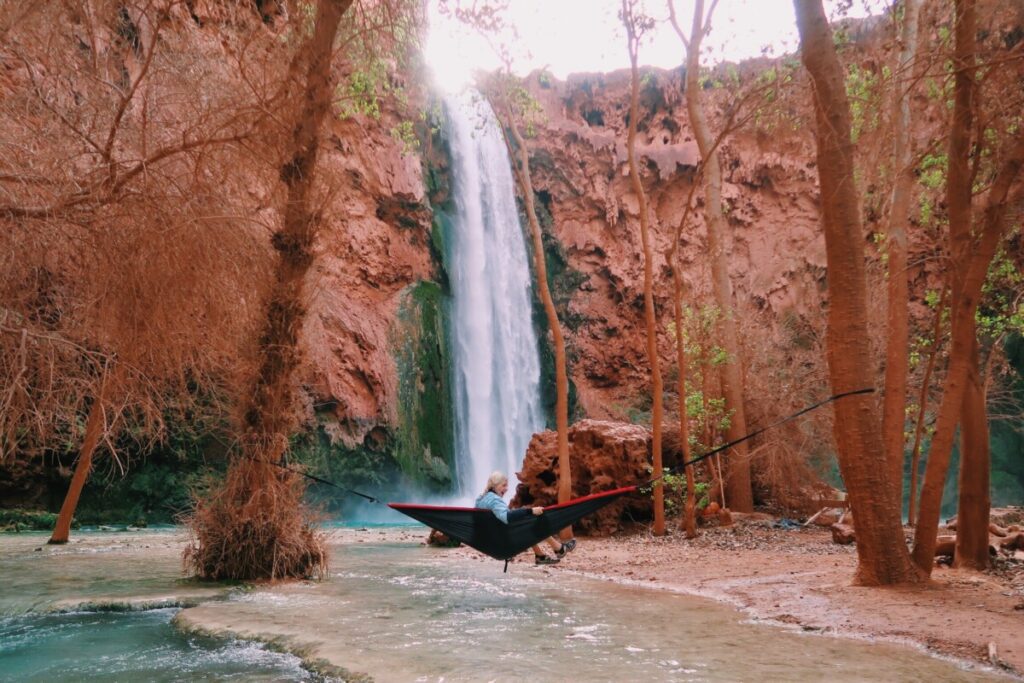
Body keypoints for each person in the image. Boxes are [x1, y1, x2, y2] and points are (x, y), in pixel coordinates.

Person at [475, 471, 577, 565]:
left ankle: (541, 555)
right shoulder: (494, 500)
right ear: (495, 485)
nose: (506, 489)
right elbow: (506, 517)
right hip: (500, 539)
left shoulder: (482, 498)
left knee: (525, 521)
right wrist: (530, 511)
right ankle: (559, 549)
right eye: (504, 485)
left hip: (488, 536)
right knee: (531, 521)